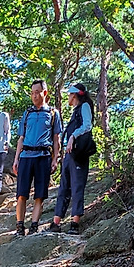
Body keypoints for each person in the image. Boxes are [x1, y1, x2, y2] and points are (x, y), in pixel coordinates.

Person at [12, 80, 62, 235]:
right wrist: (16, 159)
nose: (34, 95)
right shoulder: (27, 113)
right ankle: (20, 226)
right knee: (21, 194)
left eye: (37, 92)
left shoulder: (53, 113)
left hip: (43, 156)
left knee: (40, 194)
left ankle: (34, 225)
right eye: (32, 92)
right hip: (26, 155)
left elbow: (56, 139)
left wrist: (55, 159)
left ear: (44, 93)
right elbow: (21, 138)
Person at [52, 82, 95, 234]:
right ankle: (56, 222)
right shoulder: (75, 111)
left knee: (77, 186)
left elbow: (87, 126)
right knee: (64, 186)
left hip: (79, 153)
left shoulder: (84, 107)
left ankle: (74, 224)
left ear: (75, 95)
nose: (68, 98)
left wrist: (73, 137)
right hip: (70, 154)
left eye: (69, 94)